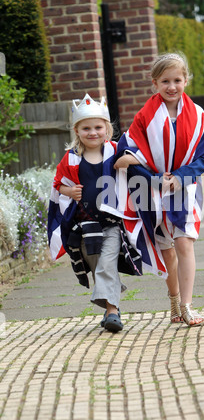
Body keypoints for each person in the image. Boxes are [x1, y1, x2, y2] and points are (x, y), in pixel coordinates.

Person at [114, 52, 204, 327]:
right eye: (165, 81)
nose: (172, 86)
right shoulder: (144, 117)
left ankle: (187, 305)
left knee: (184, 243)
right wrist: (156, 178)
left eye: (177, 80)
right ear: (155, 83)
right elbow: (127, 153)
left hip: (185, 189)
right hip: (153, 191)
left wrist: (180, 176)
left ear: (186, 80)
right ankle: (173, 300)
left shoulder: (198, 115)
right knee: (167, 250)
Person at [47, 94, 142, 333]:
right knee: (99, 264)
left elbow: (140, 158)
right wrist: (69, 190)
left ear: (107, 129)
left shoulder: (114, 151)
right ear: (76, 130)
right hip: (85, 226)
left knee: (107, 261)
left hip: (111, 223)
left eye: (98, 127)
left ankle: (111, 312)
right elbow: (58, 184)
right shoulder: (71, 158)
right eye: (86, 128)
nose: (93, 132)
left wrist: (127, 160)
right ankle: (113, 309)